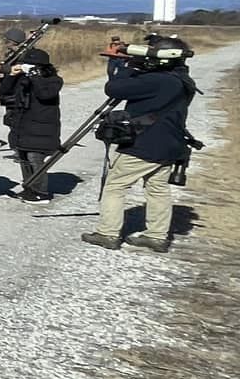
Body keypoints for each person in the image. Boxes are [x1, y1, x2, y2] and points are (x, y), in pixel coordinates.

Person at [84, 34, 197, 253]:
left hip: (144, 144)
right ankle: (157, 236)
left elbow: (114, 88)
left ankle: (107, 233)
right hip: (170, 143)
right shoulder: (182, 79)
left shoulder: (157, 80)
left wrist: (130, 66)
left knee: (116, 186)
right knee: (157, 189)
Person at [0, 47, 63, 201]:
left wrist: (34, 76)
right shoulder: (23, 78)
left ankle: (41, 192)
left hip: (41, 125)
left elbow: (44, 94)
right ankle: (29, 188)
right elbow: (5, 92)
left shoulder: (53, 80)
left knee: (35, 157)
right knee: (23, 156)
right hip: (22, 124)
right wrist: (11, 75)